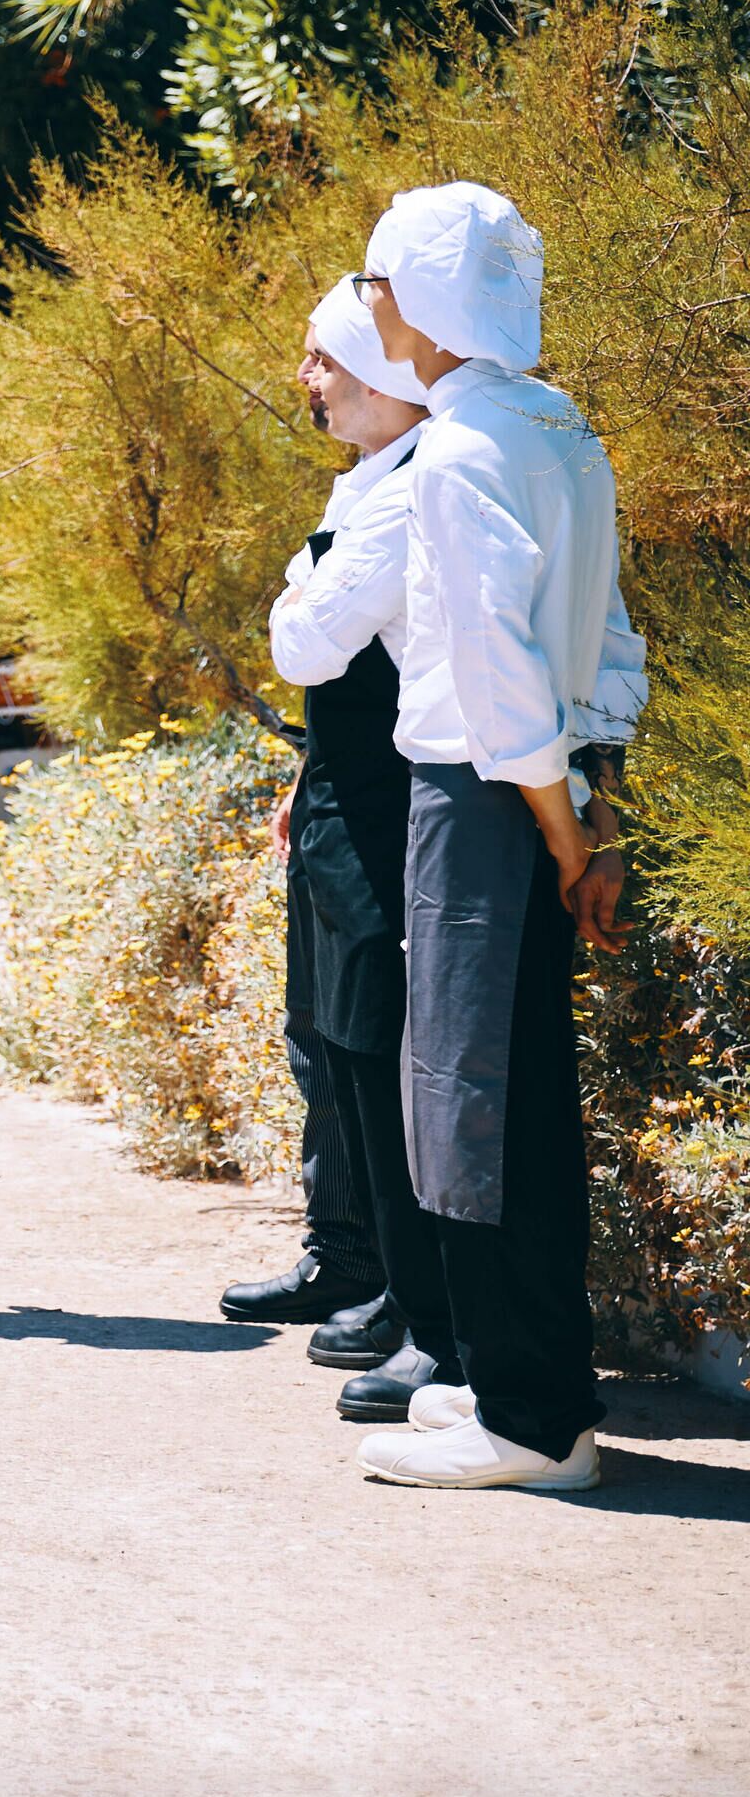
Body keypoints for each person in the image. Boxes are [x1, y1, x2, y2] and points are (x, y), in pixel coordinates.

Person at [352, 182, 642, 1493]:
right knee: (522, 1101)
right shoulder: (559, 427)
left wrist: (566, 835)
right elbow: (613, 640)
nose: (366, 307)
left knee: (470, 1108)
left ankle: (528, 1421)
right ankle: (530, 1388)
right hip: (553, 794)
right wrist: (599, 820)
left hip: (485, 804)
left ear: (420, 303)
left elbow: (499, 683)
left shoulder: (460, 457)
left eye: (377, 283)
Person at [238, 279, 448, 1419]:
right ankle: (361, 1264)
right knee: (325, 1039)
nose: (308, 382)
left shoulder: (413, 487)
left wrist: (294, 592)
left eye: (323, 361)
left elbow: (307, 641)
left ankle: (418, 1303)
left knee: (378, 1050)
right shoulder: (368, 483)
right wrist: (307, 775)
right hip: (342, 795)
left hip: (390, 809)